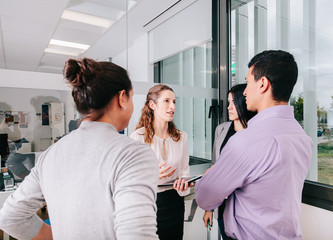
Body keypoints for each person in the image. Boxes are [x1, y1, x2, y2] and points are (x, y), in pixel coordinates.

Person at [0, 58, 159, 240]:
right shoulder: (133, 154)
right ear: (122, 98)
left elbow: (9, 218)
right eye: (131, 98)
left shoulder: (51, 154)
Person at [195, 50, 313, 240]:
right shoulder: (302, 138)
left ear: (263, 84)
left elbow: (205, 196)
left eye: (248, 82)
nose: (244, 91)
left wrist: (207, 178)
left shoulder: (246, 141)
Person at [130, 84, 192, 240]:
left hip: (175, 203)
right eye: (166, 101)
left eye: (174, 102)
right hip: (149, 205)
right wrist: (153, 176)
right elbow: (131, 181)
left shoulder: (181, 137)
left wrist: (184, 182)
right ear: (152, 105)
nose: (172, 106)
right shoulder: (138, 137)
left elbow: (185, 171)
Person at [202, 83, 255, 239]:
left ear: (243, 102)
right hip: (223, 204)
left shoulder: (255, 132)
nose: (229, 107)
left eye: (233, 102)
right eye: (228, 103)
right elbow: (214, 168)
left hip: (246, 206)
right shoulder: (222, 129)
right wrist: (209, 208)